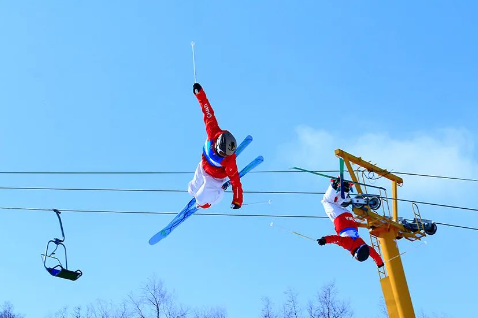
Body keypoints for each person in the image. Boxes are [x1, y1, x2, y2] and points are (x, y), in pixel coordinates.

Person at [187, 83, 243, 210]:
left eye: (225, 155)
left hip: (214, 179)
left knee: (201, 200)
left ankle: (217, 195)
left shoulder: (230, 161)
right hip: (203, 167)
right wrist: (199, 94)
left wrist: (237, 201)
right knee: (191, 189)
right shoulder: (213, 131)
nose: (224, 156)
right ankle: (199, 195)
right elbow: (207, 111)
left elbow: (236, 182)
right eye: (222, 153)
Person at [318, 177, 384, 267]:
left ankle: (345, 188)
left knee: (336, 204)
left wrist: (380, 263)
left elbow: (372, 252)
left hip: (349, 217)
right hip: (340, 220)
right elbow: (337, 239)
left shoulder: (362, 244)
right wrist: (325, 240)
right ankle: (334, 185)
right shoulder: (349, 245)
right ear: (356, 254)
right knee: (326, 201)